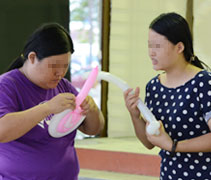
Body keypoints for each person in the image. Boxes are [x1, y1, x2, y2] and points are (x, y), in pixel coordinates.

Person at [0, 23, 104, 180]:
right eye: (54, 66)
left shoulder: (64, 86)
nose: (60, 73)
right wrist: (47, 108)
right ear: (32, 58)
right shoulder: (7, 86)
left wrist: (92, 110)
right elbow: (2, 131)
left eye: (65, 66)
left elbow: (93, 129)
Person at [124, 12, 211, 180]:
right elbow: (150, 143)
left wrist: (174, 146)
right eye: (149, 46)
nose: (151, 53)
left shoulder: (204, 82)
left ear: (179, 47)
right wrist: (135, 115)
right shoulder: (154, 87)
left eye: (158, 46)